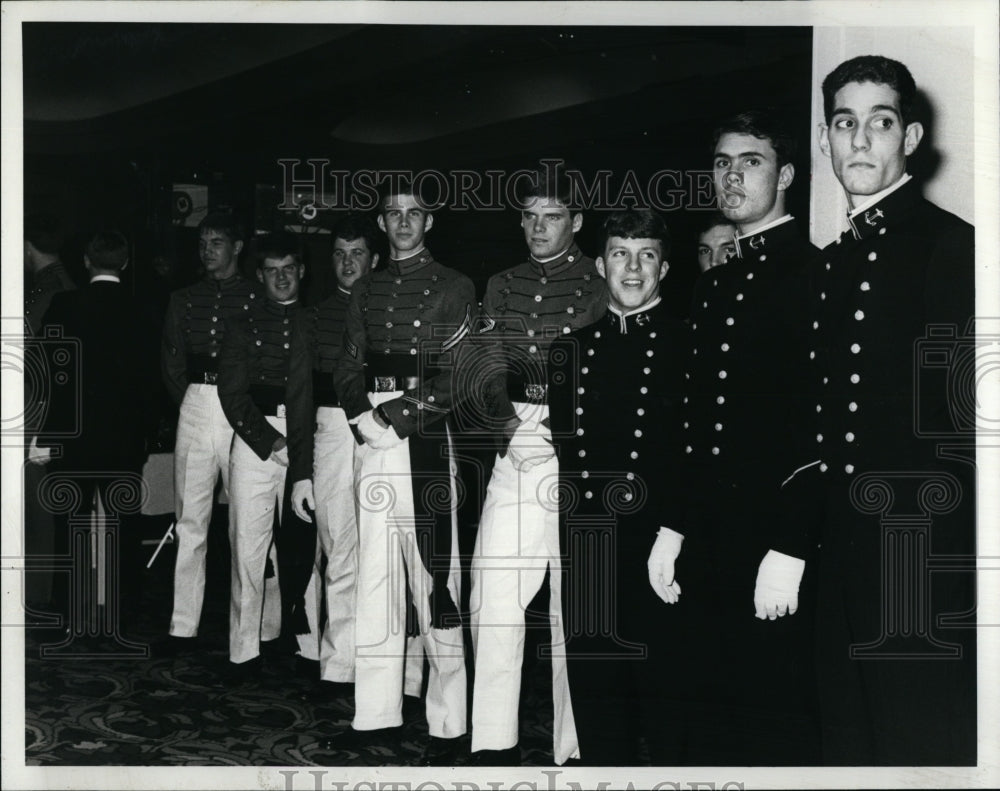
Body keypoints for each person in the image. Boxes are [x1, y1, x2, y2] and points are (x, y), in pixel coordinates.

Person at [801, 54, 976, 764]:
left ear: (909, 137)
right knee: (844, 738)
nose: (861, 140)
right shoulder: (830, 262)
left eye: (880, 122)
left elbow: (963, 427)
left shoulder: (950, 245)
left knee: (916, 738)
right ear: (825, 141)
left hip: (914, 546)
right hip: (833, 542)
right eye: (845, 124)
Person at [662, 109, 822, 764]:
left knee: (773, 722)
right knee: (710, 714)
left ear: (785, 173)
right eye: (723, 163)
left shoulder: (814, 274)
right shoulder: (716, 281)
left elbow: (822, 426)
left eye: (750, 161)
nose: (732, 175)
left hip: (774, 540)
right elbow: (696, 419)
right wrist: (673, 526)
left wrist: (791, 543)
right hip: (710, 537)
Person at [468, 164, 607, 766]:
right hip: (515, 448)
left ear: (576, 222)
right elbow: (486, 362)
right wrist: (504, 426)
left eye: (553, 217)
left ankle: (573, 748)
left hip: (575, 452)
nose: (538, 228)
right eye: (530, 216)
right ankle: (492, 741)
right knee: (492, 592)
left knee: (569, 608)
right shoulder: (501, 283)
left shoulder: (601, 281)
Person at [330, 180, 473, 765]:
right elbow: (346, 363)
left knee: (436, 578)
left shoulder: (454, 286)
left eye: (415, 214)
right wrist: (362, 416)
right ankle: (377, 712)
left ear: (430, 222)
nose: (404, 223)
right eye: (394, 214)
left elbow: (460, 374)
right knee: (375, 579)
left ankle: (449, 718)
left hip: (425, 439)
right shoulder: (366, 288)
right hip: (373, 439)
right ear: (382, 224)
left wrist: (395, 416)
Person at [546, 209, 687, 764]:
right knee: (597, 697)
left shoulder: (689, 344)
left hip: (660, 545)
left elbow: (696, 456)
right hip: (587, 541)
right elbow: (566, 451)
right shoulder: (568, 350)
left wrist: (673, 531)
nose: (633, 268)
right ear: (600, 264)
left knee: (665, 701)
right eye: (621, 254)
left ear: (665, 266)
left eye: (646, 254)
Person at [36, 230, 158, 642]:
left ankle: (69, 615)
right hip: (125, 437)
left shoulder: (66, 305)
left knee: (70, 522)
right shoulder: (144, 308)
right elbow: (151, 380)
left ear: (87, 261)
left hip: (75, 435)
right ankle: (124, 616)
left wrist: (47, 434)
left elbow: (50, 375)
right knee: (125, 525)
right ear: (124, 263)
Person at [287, 214, 379, 689]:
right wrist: (301, 468)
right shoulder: (314, 317)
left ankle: (381, 661)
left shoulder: (389, 308)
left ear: (374, 258)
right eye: (340, 254)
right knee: (339, 549)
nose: (348, 263)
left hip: (386, 430)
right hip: (332, 430)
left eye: (357, 253)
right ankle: (340, 664)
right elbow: (300, 400)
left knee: (382, 552)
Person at [161, 212, 257, 652]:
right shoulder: (183, 298)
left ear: (237, 247)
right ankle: (184, 624)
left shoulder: (258, 296)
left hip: (244, 408)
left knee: (251, 523)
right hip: (198, 404)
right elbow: (172, 361)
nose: (207, 250)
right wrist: (191, 401)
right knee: (190, 519)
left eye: (217, 242)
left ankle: (259, 626)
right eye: (202, 242)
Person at [217, 231, 305, 677]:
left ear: (301, 272)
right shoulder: (242, 325)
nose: (281, 278)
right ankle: (244, 650)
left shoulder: (315, 321)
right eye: (272, 271)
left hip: (308, 438)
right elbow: (232, 396)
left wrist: (301, 442)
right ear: (260, 276)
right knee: (248, 547)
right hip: (256, 440)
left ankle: (305, 646)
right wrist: (272, 442)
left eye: (288, 269)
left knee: (311, 546)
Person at [23, 213, 77, 618]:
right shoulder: (57, 283)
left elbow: (31, 348)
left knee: (37, 505)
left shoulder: (50, 289)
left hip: (38, 406)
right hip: (42, 402)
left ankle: (38, 593)